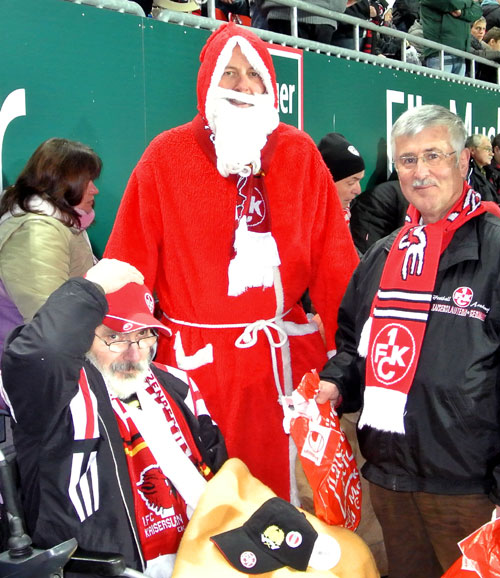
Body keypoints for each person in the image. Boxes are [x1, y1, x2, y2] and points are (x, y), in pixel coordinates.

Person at [104, 23, 359, 502]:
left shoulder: (299, 153)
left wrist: (349, 361)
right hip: (198, 370)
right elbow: (128, 268)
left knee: (292, 511)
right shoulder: (166, 155)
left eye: (255, 76)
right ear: (208, 84)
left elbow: (336, 266)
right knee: (209, 509)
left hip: (282, 370)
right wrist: (124, 364)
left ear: (269, 85)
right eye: (231, 74)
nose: (244, 86)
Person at [316, 104, 500, 578]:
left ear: (464, 160)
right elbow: (353, 346)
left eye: (434, 156)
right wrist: (336, 383)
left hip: (471, 490)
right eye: (408, 160)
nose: (421, 172)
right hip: (389, 480)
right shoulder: (383, 256)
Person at [1, 258, 227, 577]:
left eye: (144, 334)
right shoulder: (59, 398)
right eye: (116, 337)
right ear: (83, 338)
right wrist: (91, 289)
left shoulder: (178, 386)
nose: (134, 353)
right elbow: (39, 353)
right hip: (101, 568)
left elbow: (218, 471)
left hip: (195, 558)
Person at [0, 138, 101, 352]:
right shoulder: (37, 232)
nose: (95, 190)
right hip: (27, 368)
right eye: (87, 181)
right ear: (61, 183)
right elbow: (49, 321)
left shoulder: (60, 222)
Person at [419, 0, 482, 75]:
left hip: (460, 54)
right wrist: (471, 2)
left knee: (456, 87)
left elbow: (478, 11)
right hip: (439, 53)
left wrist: (462, 13)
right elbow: (451, 2)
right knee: (441, 86)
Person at [317, 132, 366, 224]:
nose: (358, 191)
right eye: (351, 182)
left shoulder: (355, 216)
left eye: (359, 181)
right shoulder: (301, 224)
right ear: (327, 183)